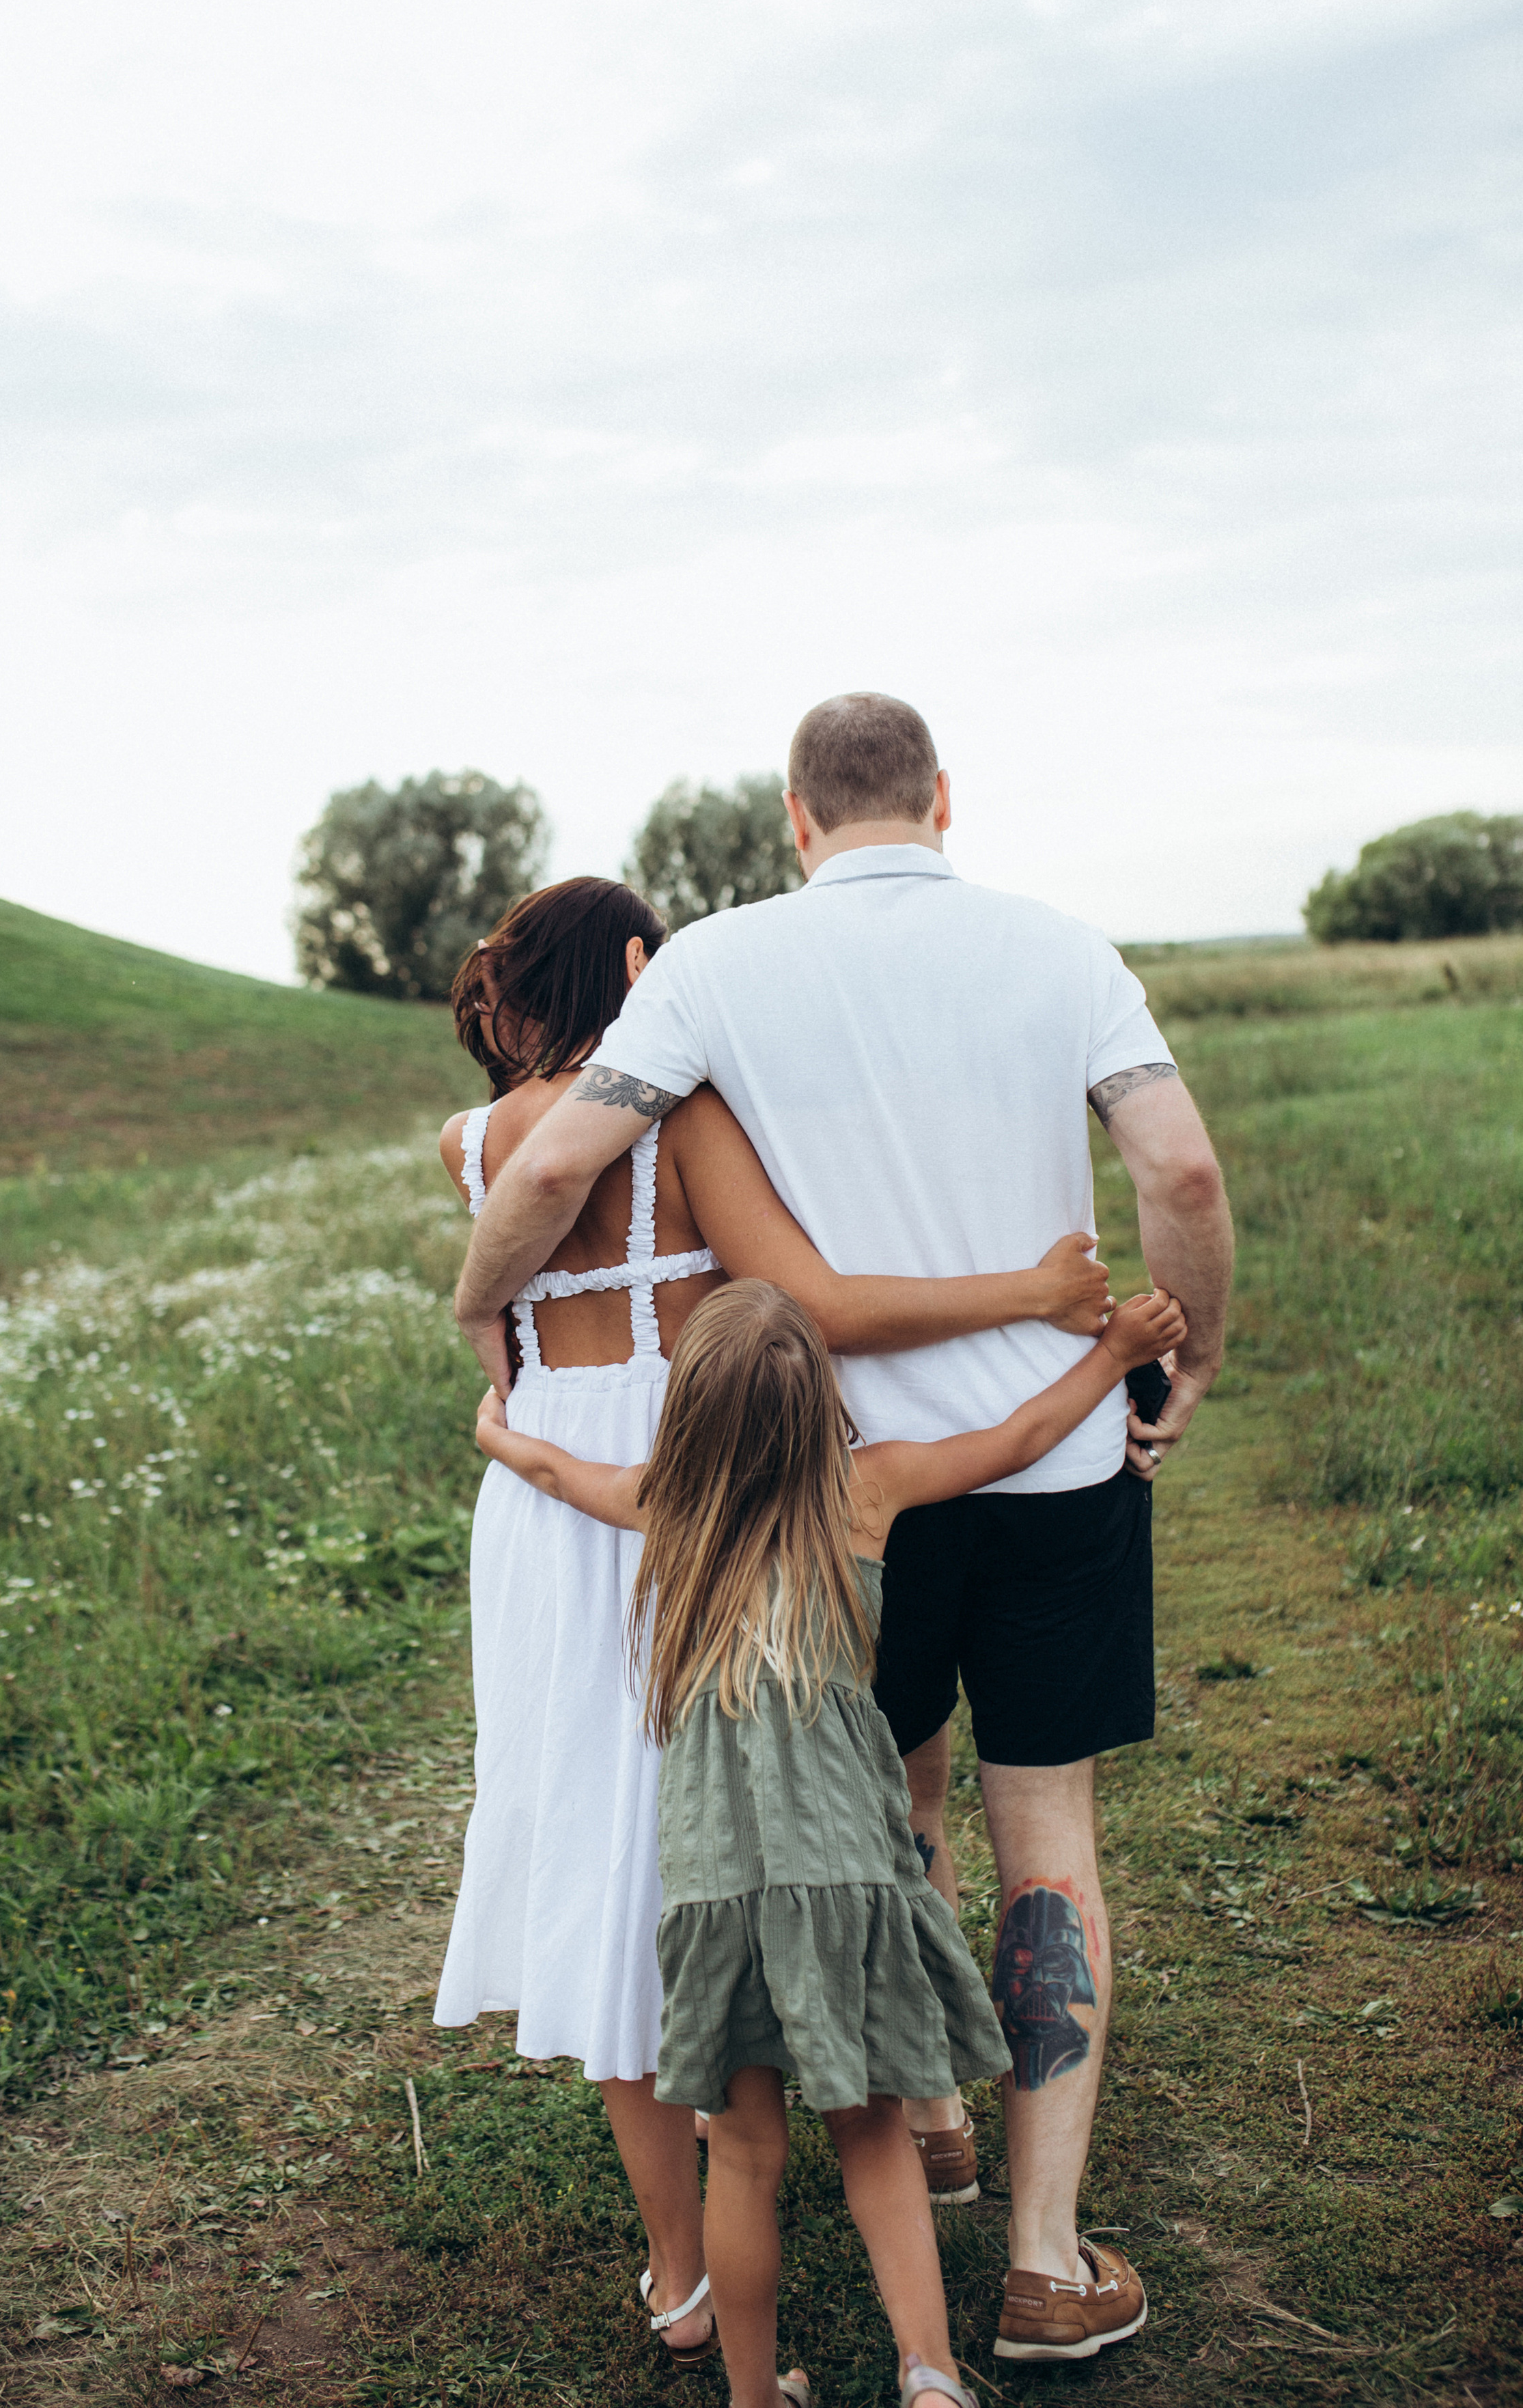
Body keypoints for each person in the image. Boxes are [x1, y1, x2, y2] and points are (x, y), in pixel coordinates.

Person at [452, 695, 1235, 2365]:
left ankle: (923, 2107)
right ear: (942, 798)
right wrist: (1187, 1361)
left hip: (827, 1491)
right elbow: (1180, 1173)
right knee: (1048, 1837)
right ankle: (1034, 2256)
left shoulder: (716, 966)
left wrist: (478, 1318)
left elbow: (537, 1182)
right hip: (1047, 1469)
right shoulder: (1058, 949)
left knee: (878, 1790)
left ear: (793, 817)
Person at [474, 1276, 1188, 2408]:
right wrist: (1115, 1358)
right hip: (850, 1871)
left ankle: (757, 2398)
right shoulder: (866, 1490)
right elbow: (1017, 1439)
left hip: (719, 1887)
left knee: (747, 2155)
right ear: (823, 1405)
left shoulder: (673, 1504)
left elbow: (565, 1474)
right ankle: (931, 2377)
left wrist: (500, 1435)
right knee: (872, 2134)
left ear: (690, 1411)